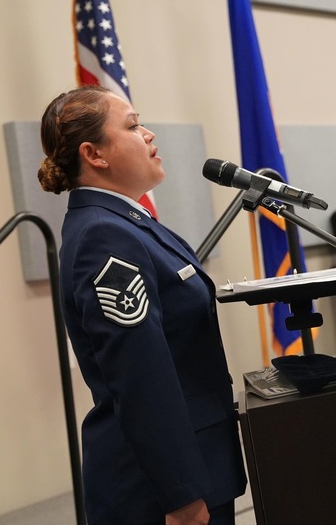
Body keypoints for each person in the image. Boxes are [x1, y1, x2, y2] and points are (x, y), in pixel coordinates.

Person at [38, 86, 247, 525]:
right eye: (133, 125)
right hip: (160, 489)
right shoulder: (104, 236)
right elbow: (141, 376)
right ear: (94, 154)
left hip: (194, 464)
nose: (149, 134)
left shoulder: (127, 223)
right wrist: (182, 497)